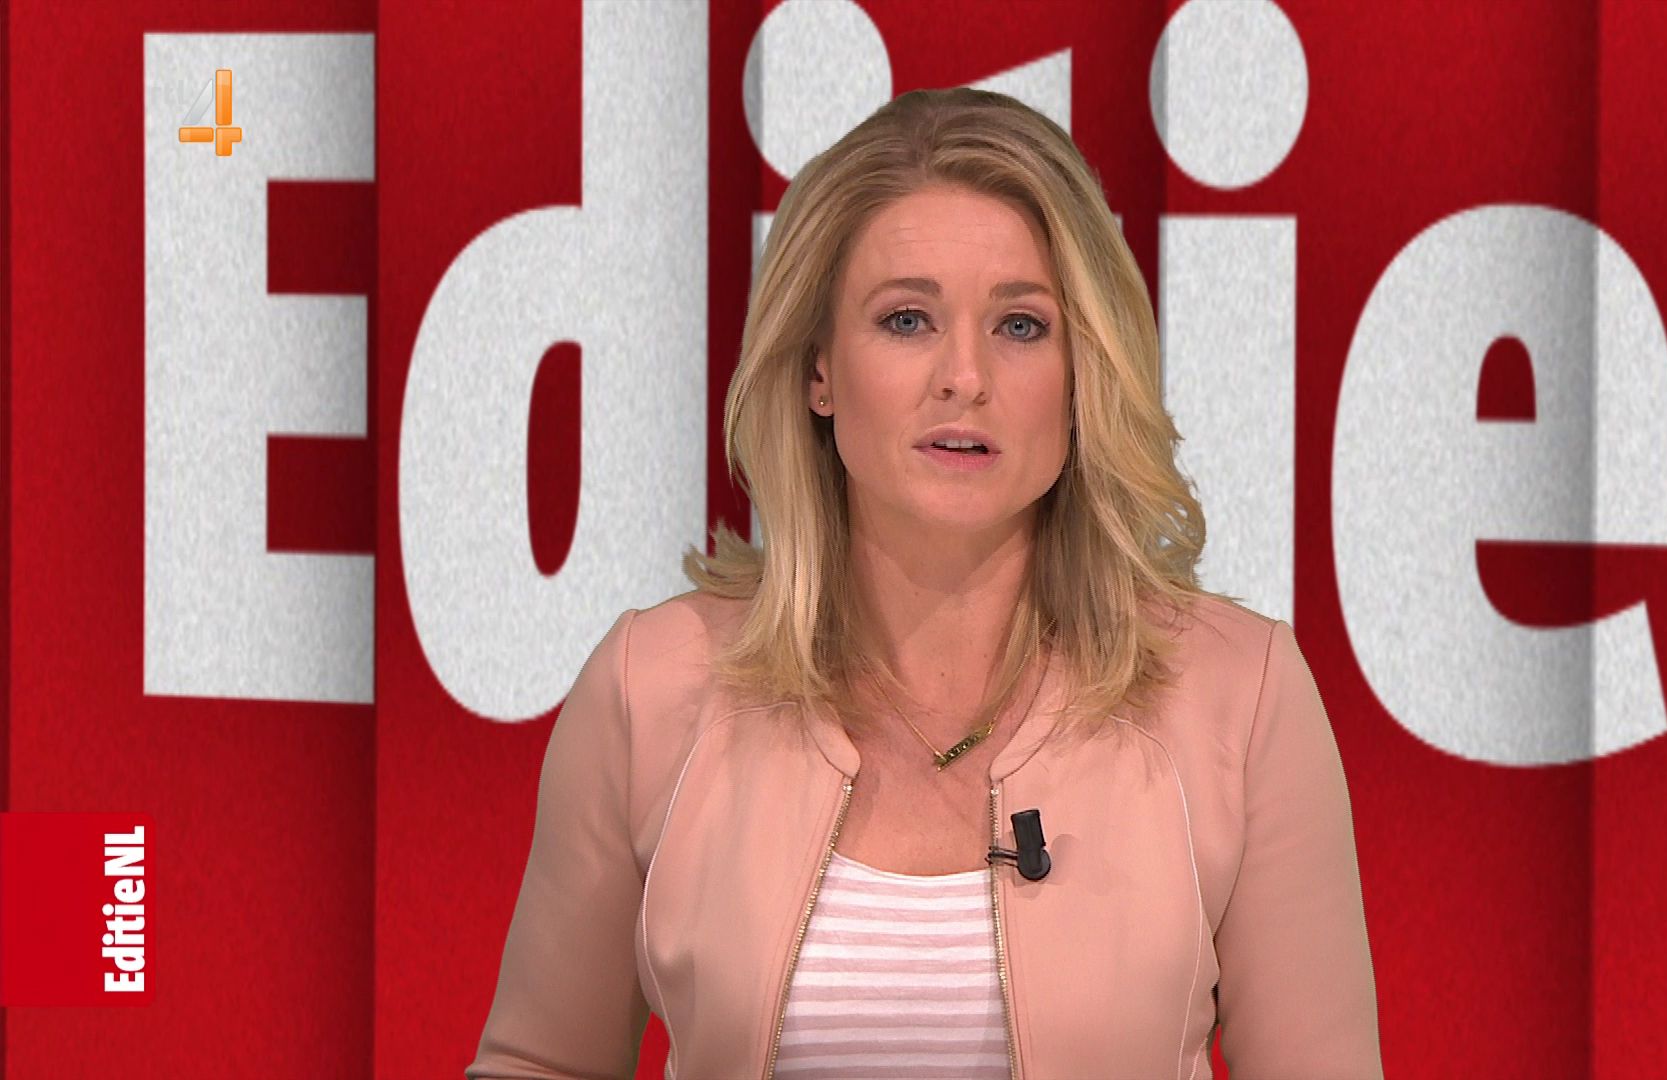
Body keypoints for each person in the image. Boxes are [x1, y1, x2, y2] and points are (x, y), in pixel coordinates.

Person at [466, 86, 1381, 1080]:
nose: (965, 376)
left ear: (1083, 374)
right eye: (907, 320)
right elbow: (538, 1063)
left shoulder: (1239, 698)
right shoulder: (652, 689)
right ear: (818, 370)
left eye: (1021, 326)